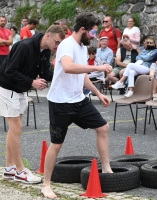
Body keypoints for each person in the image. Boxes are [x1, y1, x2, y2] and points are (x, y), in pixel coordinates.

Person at [41, 13, 113, 199]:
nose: (94, 36)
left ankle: (106, 170)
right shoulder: (67, 45)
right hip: (60, 102)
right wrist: (97, 68)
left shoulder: (82, 46)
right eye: (93, 32)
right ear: (83, 30)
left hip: (78, 100)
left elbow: (81, 75)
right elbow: (68, 67)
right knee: (57, 144)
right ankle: (46, 185)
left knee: (103, 127)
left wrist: (98, 93)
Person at [0, 25, 65, 184]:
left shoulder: (45, 50)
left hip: (20, 89)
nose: (57, 46)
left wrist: (65, 75)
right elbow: (10, 71)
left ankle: (9, 168)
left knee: (14, 129)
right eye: (57, 42)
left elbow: (45, 73)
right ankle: (20, 171)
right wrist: (32, 82)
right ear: (48, 35)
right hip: (6, 87)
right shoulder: (25, 46)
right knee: (17, 127)